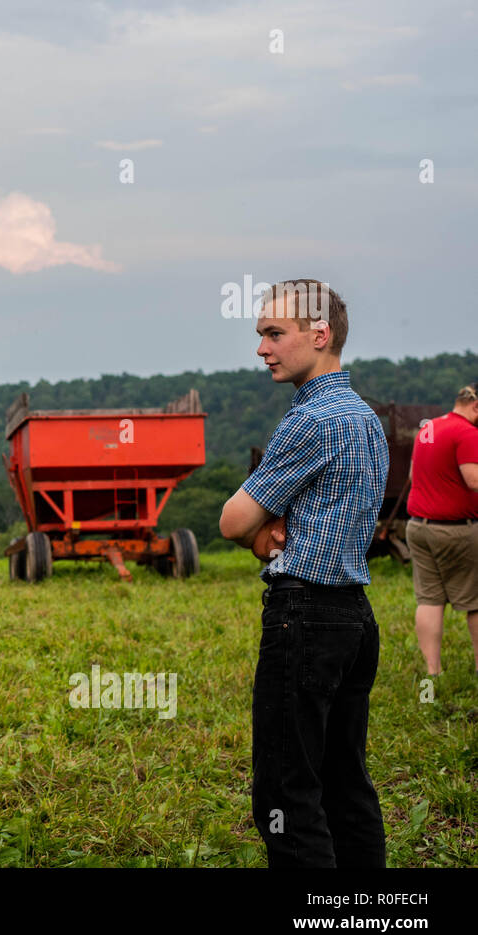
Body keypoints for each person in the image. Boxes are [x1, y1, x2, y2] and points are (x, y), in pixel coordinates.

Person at [219, 279, 388, 868]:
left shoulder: (309, 420)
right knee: (346, 781)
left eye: (273, 334)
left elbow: (232, 519)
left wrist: (262, 533)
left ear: (319, 335)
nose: (261, 349)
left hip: (305, 614)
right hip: (355, 617)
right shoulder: (365, 418)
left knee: (286, 791)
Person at [405, 383, 478, 675]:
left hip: (418, 529)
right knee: (476, 602)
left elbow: (412, 475)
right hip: (456, 531)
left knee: (430, 600)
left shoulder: (428, 429)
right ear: (475, 407)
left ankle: (432, 674)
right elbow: (473, 480)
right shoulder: (468, 433)